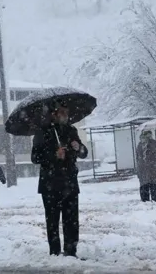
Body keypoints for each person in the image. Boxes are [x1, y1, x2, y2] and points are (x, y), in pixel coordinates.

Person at [31, 100, 88, 258]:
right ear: (54, 114)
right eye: (62, 112)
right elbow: (35, 157)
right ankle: (55, 252)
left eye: (66, 112)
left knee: (72, 221)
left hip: (69, 182)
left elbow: (83, 153)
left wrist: (79, 148)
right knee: (53, 221)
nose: (65, 115)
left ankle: (71, 251)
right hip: (50, 184)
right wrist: (53, 155)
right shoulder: (42, 132)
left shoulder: (71, 131)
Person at [135, 130, 156, 202]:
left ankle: (144, 199)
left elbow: (137, 156)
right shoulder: (153, 143)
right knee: (153, 183)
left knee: (144, 183)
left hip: (142, 167)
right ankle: (155, 198)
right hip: (152, 166)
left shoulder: (140, 144)